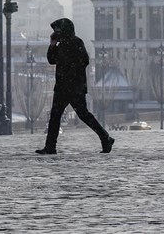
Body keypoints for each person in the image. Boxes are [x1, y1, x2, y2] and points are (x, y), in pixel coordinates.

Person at [35, 18, 114, 155]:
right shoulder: (61, 45)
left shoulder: (77, 42)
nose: (56, 33)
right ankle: (50, 146)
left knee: (83, 114)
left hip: (74, 87)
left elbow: (85, 61)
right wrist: (52, 45)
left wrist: (70, 69)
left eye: (58, 30)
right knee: (55, 116)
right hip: (62, 87)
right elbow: (51, 60)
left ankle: (105, 137)